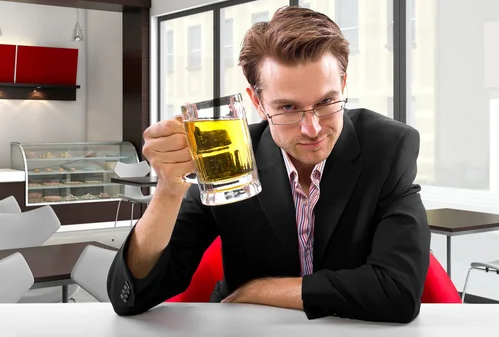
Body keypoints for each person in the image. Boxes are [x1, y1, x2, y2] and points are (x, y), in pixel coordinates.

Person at [107, 6, 430, 323]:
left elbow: (398, 292)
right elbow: (135, 295)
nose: (312, 128)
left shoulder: (389, 148)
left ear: (343, 85)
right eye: (288, 107)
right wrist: (168, 189)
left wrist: (264, 290)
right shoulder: (229, 158)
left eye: (326, 102)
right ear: (257, 102)